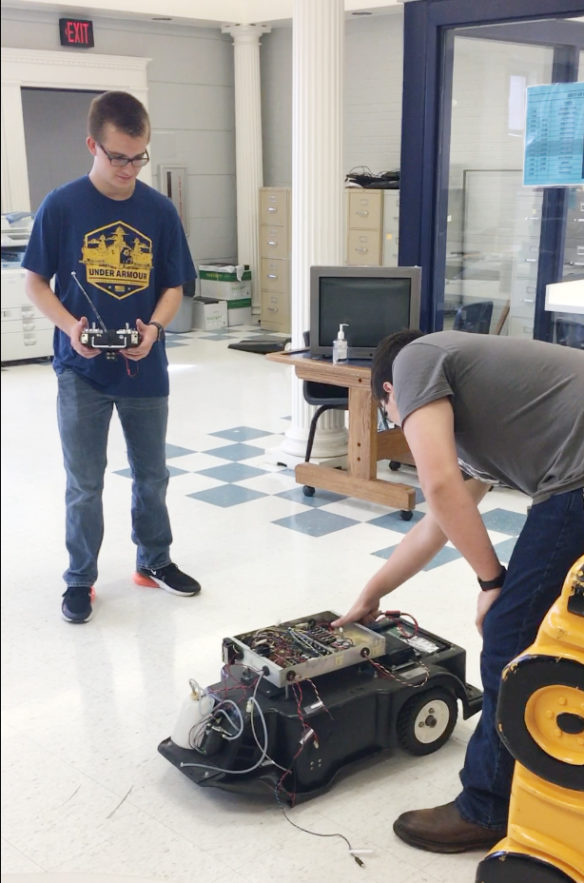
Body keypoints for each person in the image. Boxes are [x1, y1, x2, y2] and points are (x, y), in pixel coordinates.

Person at [332, 329, 584, 853]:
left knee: (509, 637)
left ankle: (486, 808)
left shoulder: (413, 360)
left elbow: (439, 484)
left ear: (388, 392)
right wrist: (373, 593)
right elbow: (438, 520)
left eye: (392, 417)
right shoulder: (482, 413)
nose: (401, 425)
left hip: (577, 476)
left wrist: (492, 583)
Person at [23, 91, 201, 624]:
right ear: (92, 146)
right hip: (81, 370)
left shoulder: (159, 210)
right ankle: (80, 579)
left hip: (145, 366)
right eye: (118, 156)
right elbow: (35, 282)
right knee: (85, 482)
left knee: (153, 474)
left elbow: (174, 286)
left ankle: (154, 561)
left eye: (139, 156)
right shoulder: (62, 205)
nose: (129, 168)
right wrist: (69, 327)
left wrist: (155, 328)